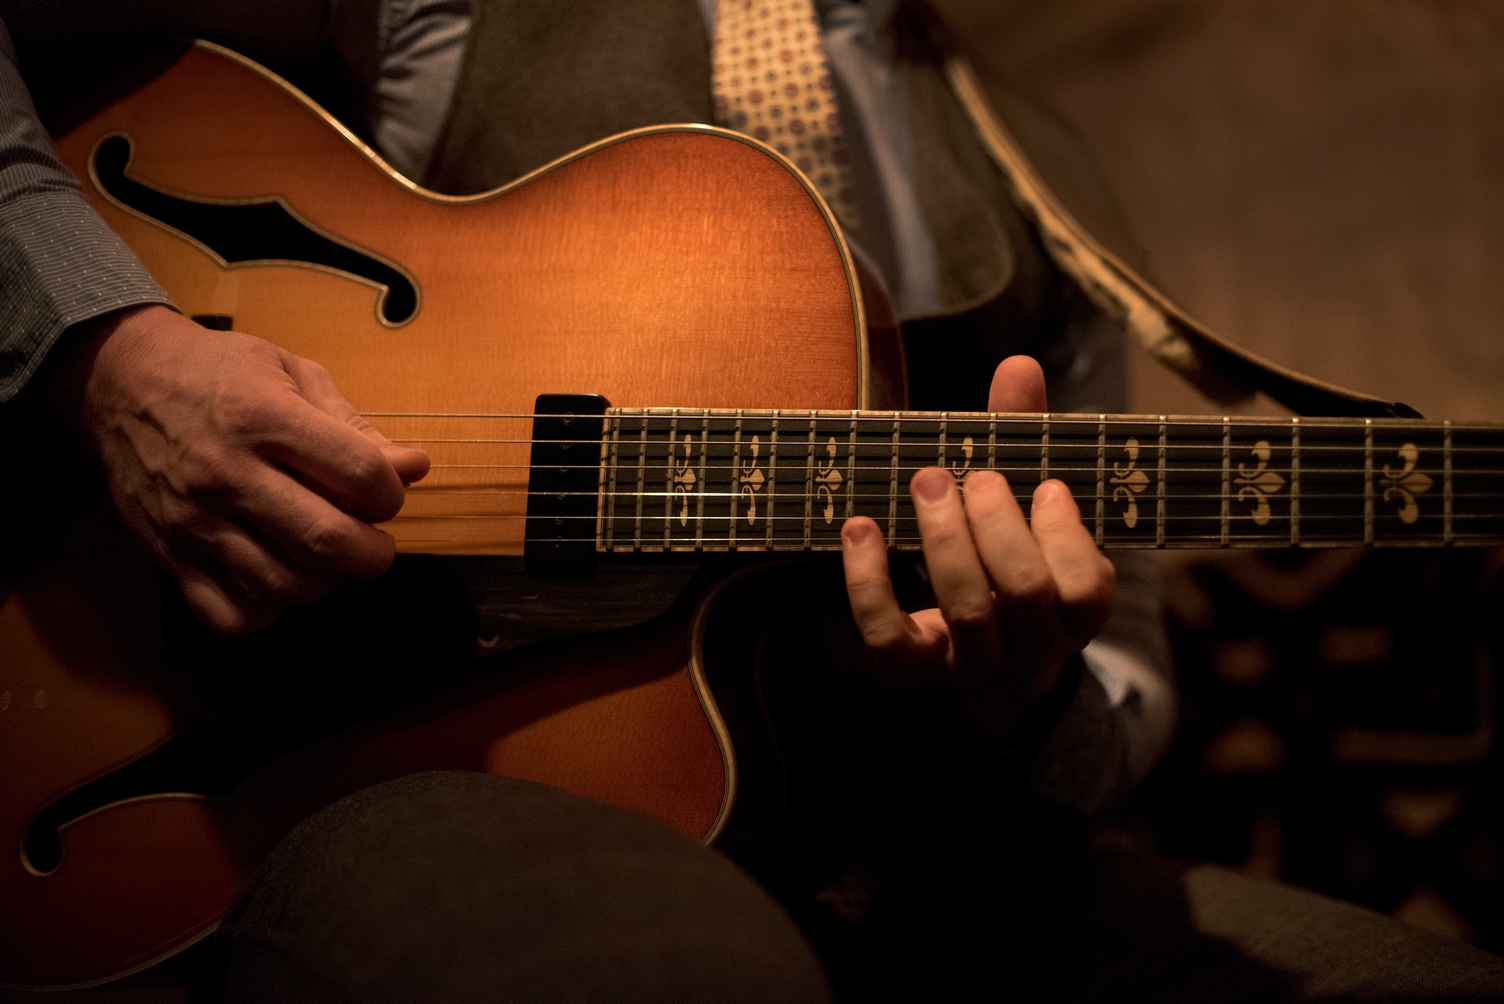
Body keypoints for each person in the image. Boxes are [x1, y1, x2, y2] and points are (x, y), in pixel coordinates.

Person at [0, 2, 1499, 1001]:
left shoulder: (1048, 179)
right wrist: (102, 354)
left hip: (920, 864)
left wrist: (1010, 708)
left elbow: (1122, 679)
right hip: (366, 770)